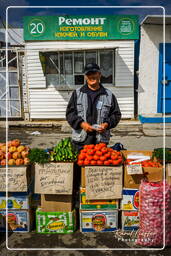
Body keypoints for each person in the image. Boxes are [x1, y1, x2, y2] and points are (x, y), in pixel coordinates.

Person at [66, 63, 121, 151]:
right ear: (85, 77)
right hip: (80, 141)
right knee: (79, 164)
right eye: (89, 74)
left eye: (94, 73)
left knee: (97, 165)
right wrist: (82, 124)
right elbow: (70, 114)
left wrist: (106, 124)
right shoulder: (77, 94)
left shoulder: (109, 95)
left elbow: (116, 114)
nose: (92, 76)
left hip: (100, 142)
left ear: (99, 74)